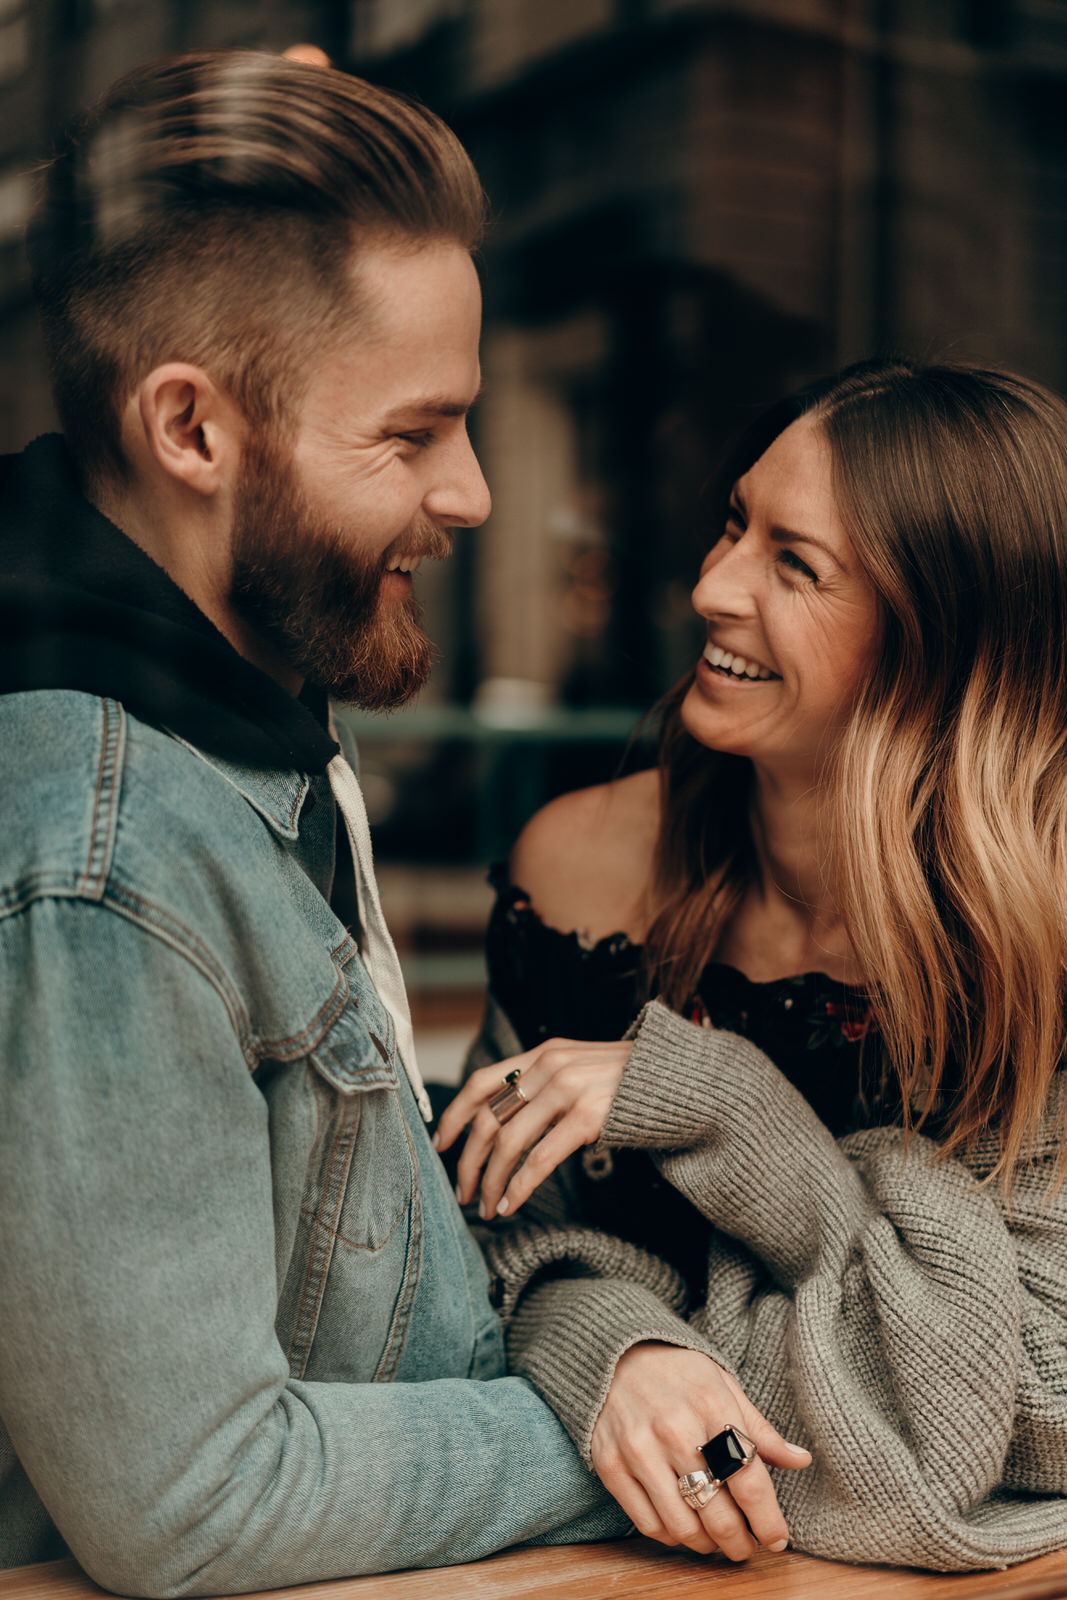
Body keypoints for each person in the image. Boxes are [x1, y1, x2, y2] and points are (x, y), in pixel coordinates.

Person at [0, 49, 642, 1592]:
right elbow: (188, 1499)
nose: (475, 492)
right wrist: (617, 1422)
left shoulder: (238, 686)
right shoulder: (97, 859)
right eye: (412, 435)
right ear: (193, 432)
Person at [437, 359, 1067, 1573]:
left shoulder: (1041, 939)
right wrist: (620, 1351)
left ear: (939, 640)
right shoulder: (577, 871)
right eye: (736, 523)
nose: (709, 587)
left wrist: (708, 1100)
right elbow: (477, 1238)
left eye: (796, 563)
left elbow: (1022, 1400)